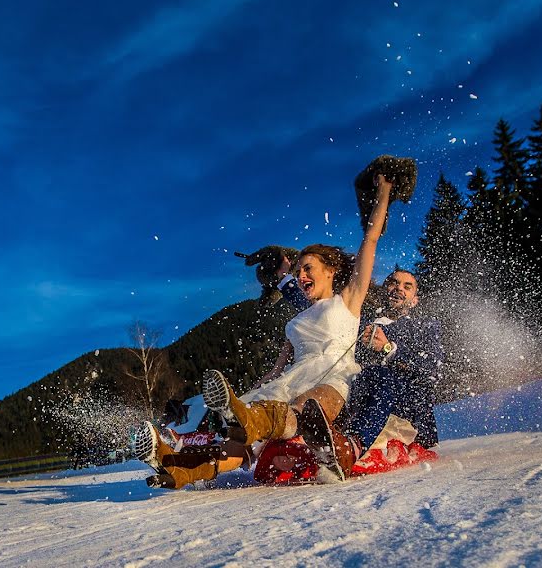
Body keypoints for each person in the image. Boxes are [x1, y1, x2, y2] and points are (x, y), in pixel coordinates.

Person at [133, 173, 395, 486]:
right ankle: (180, 466)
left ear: (331, 270)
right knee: (242, 437)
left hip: (333, 377)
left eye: (308, 268)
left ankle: (253, 421)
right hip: (294, 377)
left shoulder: (349, 300)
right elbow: (279, 367)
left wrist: (384, 191)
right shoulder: (297, 321)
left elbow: (370, 240)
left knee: (308, 405)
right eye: (298, 272)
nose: (302, 276)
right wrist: (265, 382)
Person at [348, 270, 443, 452]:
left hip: (406, 405)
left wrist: (389, 349)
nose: (398, 288)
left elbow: (432, 369)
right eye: (393, 283)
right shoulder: (361, 323)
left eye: (407, 287)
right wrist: (285, 278)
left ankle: (355, 444)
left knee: (382, 375)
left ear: (415, 300)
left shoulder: (424, 327)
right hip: (361, 396)